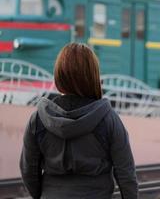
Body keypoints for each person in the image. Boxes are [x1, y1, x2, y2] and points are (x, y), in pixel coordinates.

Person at [20, 43, 138, 199]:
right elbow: (126, 174)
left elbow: (28, 170)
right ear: (92, 76)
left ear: (59, 75)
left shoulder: (38, 120)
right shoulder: (108, 119)